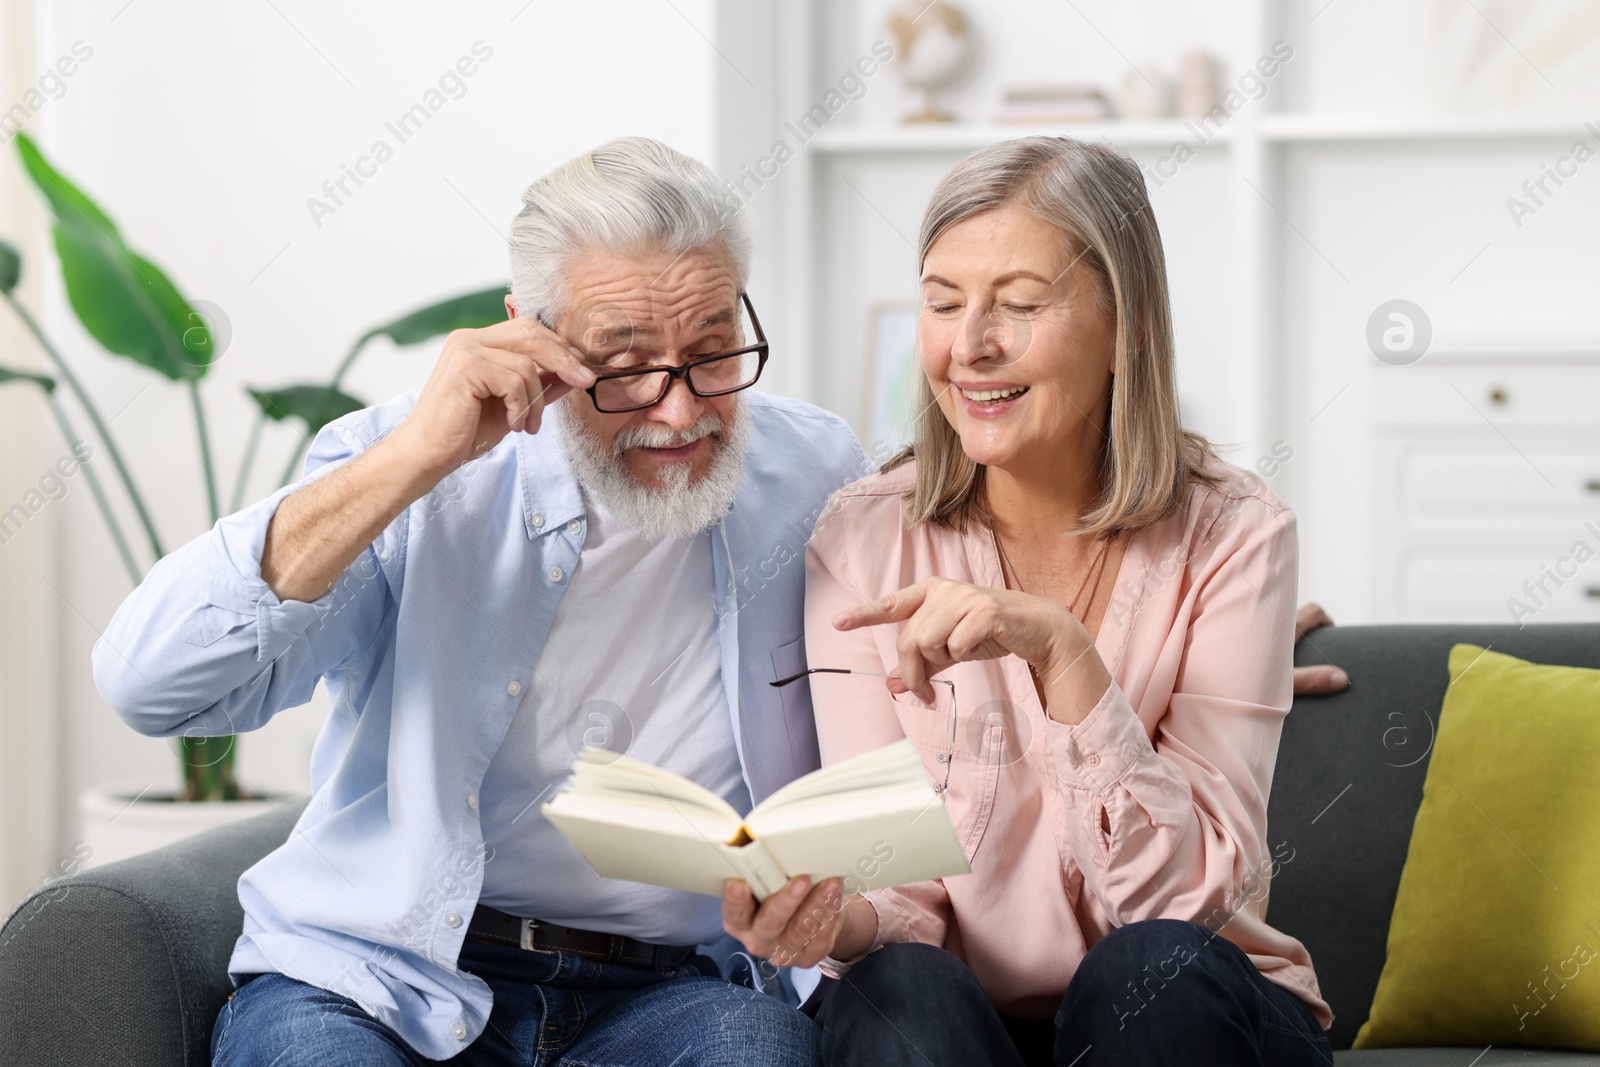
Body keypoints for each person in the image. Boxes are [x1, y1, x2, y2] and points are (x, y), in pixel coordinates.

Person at [93, 137, 866, 1067]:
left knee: (761, 1054)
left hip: (670, 991)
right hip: (376, 975)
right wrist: (414, 459)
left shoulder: (816, 474)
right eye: (623, 367)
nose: (679, 409)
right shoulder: (409, 464)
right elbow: (150, 686)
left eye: (711, 352)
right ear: (529, 332)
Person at [720, 136, 1334, 1066]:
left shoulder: (1235, 534)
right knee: (897, 991)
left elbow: (1195, 902)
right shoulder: (863, 538)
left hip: (1191, 1005)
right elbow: (897, 892)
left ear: (1127, 323)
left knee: (1147, 970)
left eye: (1018, 304)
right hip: (958, 1020)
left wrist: (1069, 660)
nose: (970, 346)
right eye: (942, 302)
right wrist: (827, 919)